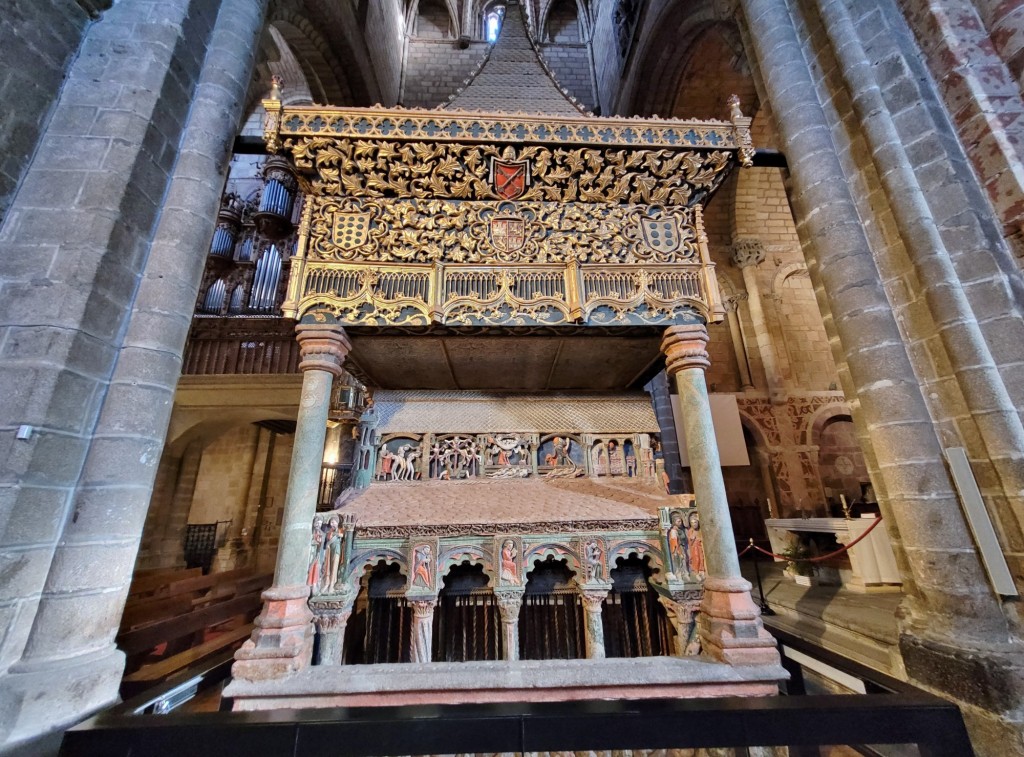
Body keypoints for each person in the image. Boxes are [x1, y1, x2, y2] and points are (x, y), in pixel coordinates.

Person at [686, 511, 705, 576]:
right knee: (696, 559)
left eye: (695, 522)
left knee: (702, 558)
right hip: (694, 548)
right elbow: (689, 540)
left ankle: (701, 570)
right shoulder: (690, 531)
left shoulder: (700, 530)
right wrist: (693, 538)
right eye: (692, 523)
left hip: (700, 547)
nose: (694, 524)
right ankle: (696, 571)